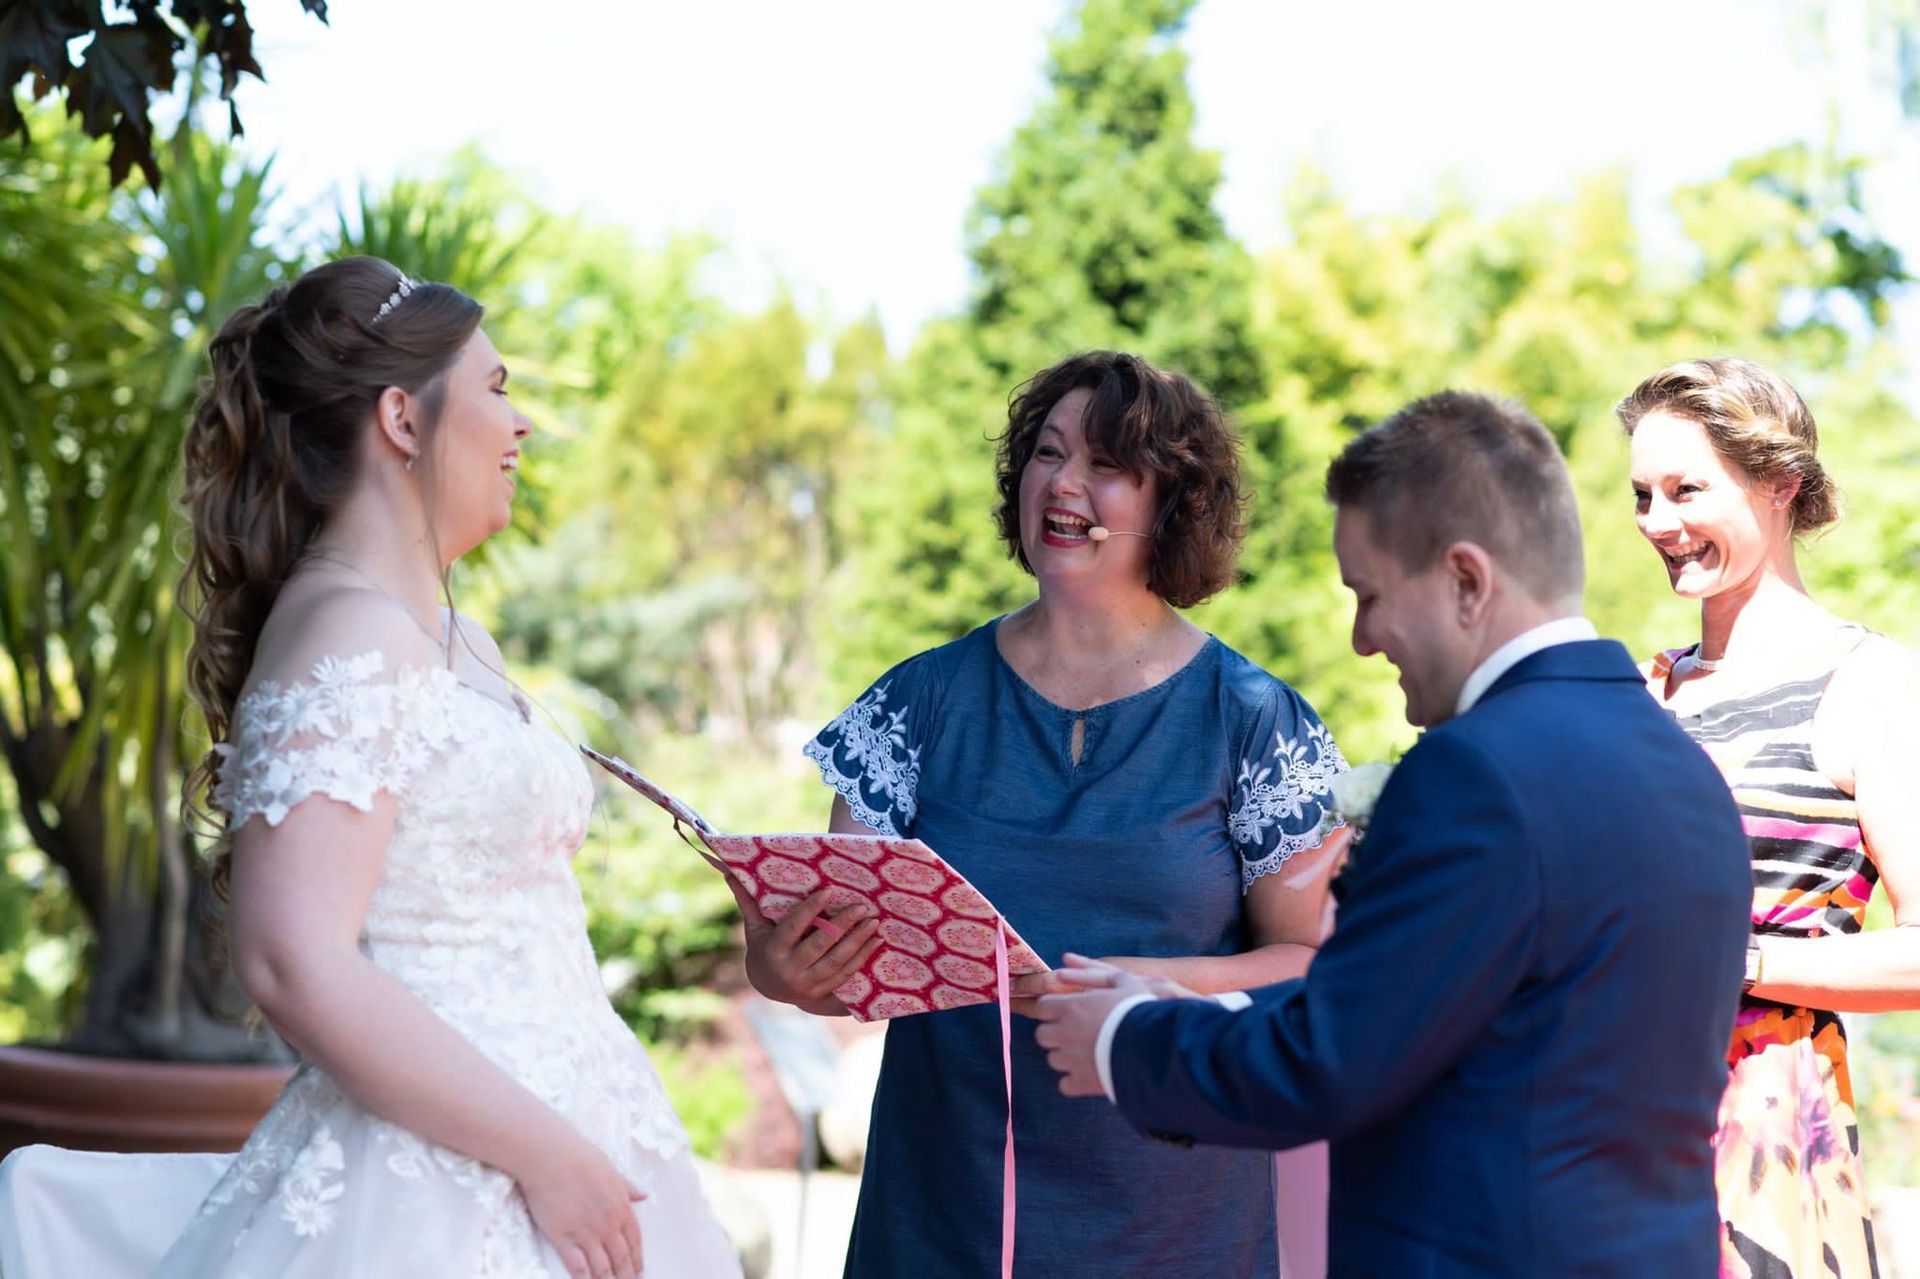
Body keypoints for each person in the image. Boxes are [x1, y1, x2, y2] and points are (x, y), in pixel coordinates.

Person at [0, 258, 740, 1279]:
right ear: (401, 417)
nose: (520, 422)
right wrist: (546, 1154)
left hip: (577, 1133)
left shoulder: (456, 640)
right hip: (445, 1183)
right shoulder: (343, 632)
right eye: (495, 388)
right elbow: (291, 959)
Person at [1035, 390, 1757, 1278]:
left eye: (1369, 595)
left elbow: (1332, 1061)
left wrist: (1123, 1039)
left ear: (1466, 581)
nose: (1362, 638)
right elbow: (1438, 1012)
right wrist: (1187, 1004)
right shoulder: (1683, 765)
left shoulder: (1476, 773)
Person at [740, 351, 1350, 1276]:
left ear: (1172, 503)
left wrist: (1136, 984)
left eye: (1106, 463)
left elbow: (1311, 968)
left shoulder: (1257, 719)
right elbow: (849, 963)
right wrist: (782, 966)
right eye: (1048, 452)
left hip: (1182, 1232)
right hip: (944, 1221)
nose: (1063, 482)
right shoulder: (914, 704)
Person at [1621, 357, 1920, 1278]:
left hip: (1760, 1147)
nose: (1657, 522)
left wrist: (1738, 960)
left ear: (1780, 483)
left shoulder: (1869, 684)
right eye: (1642, 496)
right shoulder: (1640, 692)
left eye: (1686, 490)